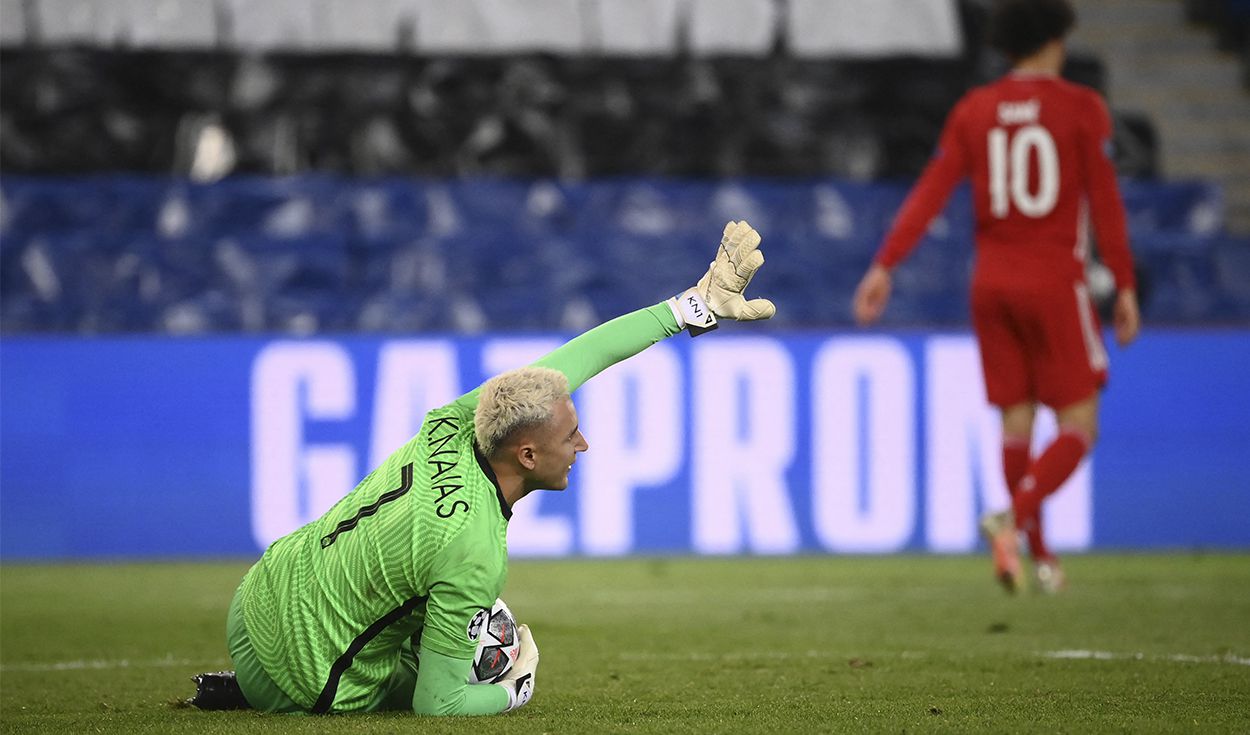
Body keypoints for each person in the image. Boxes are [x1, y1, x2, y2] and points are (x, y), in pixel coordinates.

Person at [188, 221, 776, 715]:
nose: (584, 443)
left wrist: (690, 306)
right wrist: (514, 689)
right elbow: (437, 706)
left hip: (255, 600)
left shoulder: (455, 422)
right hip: (299, 681)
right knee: (449, 666)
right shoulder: (475, 552)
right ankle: (268, 691)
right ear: (527, 456)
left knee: (424, 608)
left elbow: (586, 354)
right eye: (570, 435)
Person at [851, 0, 1140, 594]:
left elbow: (931, 191)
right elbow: (1105, 202)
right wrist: (1125, 282)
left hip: (991, 284)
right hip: (1054, 279)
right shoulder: (1082, 107)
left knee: (1016, 419)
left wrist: (885, 264)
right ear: (1056, 39)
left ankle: (1042, 557)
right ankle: (1014, 518)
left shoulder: (975, 109)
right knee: (1080, 423)